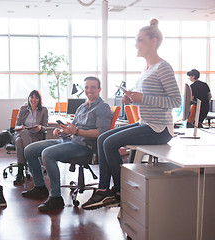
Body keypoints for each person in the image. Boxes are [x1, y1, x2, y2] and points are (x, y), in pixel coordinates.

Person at [81, 19, 181, 210]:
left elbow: (176, 101)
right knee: (103, 138)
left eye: (140, 40)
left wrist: (143, 98)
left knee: (109, 143)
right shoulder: (146, 69)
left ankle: (118, 192)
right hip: (146, 123)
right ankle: (103, 190)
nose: (136, 44)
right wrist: (132, 99)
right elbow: (148, 97)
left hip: (159, 128)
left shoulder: (163, 67)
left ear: (153, 41)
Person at [21, 76, 112, 212]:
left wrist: (77, 131)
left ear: (99, 89)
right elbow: (72, 128)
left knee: (47, 154)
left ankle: (56, 197)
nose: (89, 90)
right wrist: (62, 131)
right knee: (29, 150)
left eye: (93, 87)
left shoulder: (102, 107)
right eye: (86, 87)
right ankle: (40, 187)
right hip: (69, 140)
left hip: (85, 146)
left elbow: (102, 132)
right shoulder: (82, 106)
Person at [12, 90, 48, 185]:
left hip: (35, 136)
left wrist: (40, 128)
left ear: (39, 100)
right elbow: (16, 126)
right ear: (29, 98)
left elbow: (45, 127)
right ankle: (33, 165)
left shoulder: (43, 110)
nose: (33, 99)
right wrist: (21, 128)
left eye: (36, 97)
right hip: (20, 133)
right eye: (32, 97)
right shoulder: (23, 108)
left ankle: (20, 172)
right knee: (23, 133)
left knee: (19, 142)